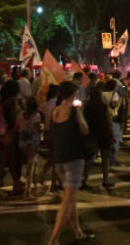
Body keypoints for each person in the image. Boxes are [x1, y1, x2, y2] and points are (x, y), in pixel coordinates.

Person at [47, 81, 92, 245]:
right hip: (74, 158)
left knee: (69, 197)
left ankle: (77, 231)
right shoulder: (73, 111)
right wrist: (78, 111)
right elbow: (85, 129)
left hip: (59, 158)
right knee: (67, 200)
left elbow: (53, 133)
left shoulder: (55, 111)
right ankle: (53, 239)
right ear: (73, 94)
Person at [83, 85, 115, 189]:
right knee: (105, 158)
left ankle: (84, 180)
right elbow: (109, 122)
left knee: (89, 158)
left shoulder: (86, 107)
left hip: (92, 133)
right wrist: (112, 134)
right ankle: (105, 179)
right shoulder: (104, 106)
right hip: (104, 132)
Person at [16, 97, 42, 199]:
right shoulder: (36, 116)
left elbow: (17, 127)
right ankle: (27, 191)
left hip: (22, 140)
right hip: (32, 141)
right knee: (31, 165)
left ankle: (34, 184)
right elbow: (37, 128)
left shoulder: (21, 115)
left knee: (33, 162)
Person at [102, 79, 123, 166]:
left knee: (107, 138)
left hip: (104, 117)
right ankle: (112, 159)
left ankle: (106, 157)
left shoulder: (102, 94)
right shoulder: (114, 94)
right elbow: (115, 105)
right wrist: (119, 102)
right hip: (113, 117)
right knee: (115, 138)